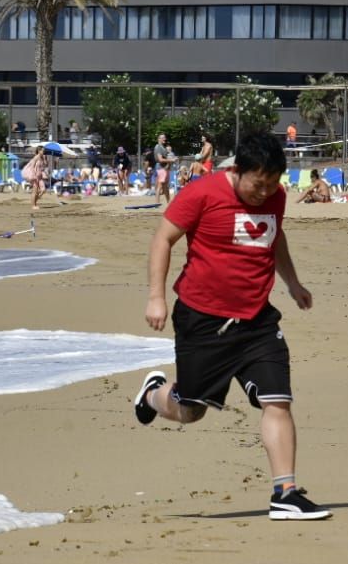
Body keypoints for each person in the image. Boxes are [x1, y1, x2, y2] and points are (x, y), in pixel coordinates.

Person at [133, 130, 329, 521]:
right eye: (258, 184)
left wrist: (292, 283)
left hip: (257, 320)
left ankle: (285, 493)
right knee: (191, 411)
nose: (265, 192)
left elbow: (275, 237)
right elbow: (163, 240)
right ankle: (154, 394)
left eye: (272, 184)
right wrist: (156, 297)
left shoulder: (275, 197)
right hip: (203, 320)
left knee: (278, 400)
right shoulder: (202, 193)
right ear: (238, 170)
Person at [152, 133, 177, 204]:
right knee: (160, 186)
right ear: (159, 139)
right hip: (161, 167)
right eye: (163, 138)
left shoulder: (162, 147)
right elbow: (160, 159)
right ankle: (157, 203)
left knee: (165, 186)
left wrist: (171, 159)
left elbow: (164, 158)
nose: (164, 139)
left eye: (165, 138)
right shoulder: (158, 147)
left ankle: (168, 202)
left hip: (164, 167)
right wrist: (171, 160)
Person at [22, 145, 48, 210]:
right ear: (39, 151)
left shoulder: (43, 157)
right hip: (35, 176)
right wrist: (33, 175)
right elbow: (32, 166)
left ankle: (36, 201)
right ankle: (33, 205)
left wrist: (45, 159)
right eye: (42, 150)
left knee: (43, 190)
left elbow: (45, 165)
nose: (44, 151)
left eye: (44, 150)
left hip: (40, 176)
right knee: (35, 191)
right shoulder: (36, 157)